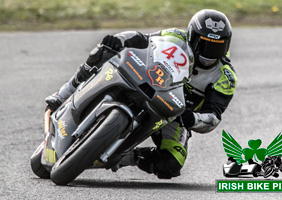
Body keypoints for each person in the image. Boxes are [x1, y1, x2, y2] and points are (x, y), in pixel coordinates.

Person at [46, 9, 237, 179]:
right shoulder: (176, 37)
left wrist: (192, 118)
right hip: (145, 81)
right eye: (204, 45)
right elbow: (141, 39)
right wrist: (119, 39)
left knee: (170, 165)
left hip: (176, 115)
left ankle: (121, 156)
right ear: (192, 36)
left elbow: (213, 116)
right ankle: (65, 92)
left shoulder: (225, 77)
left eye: (217, 47)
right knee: (104, 50)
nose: (209, 53)